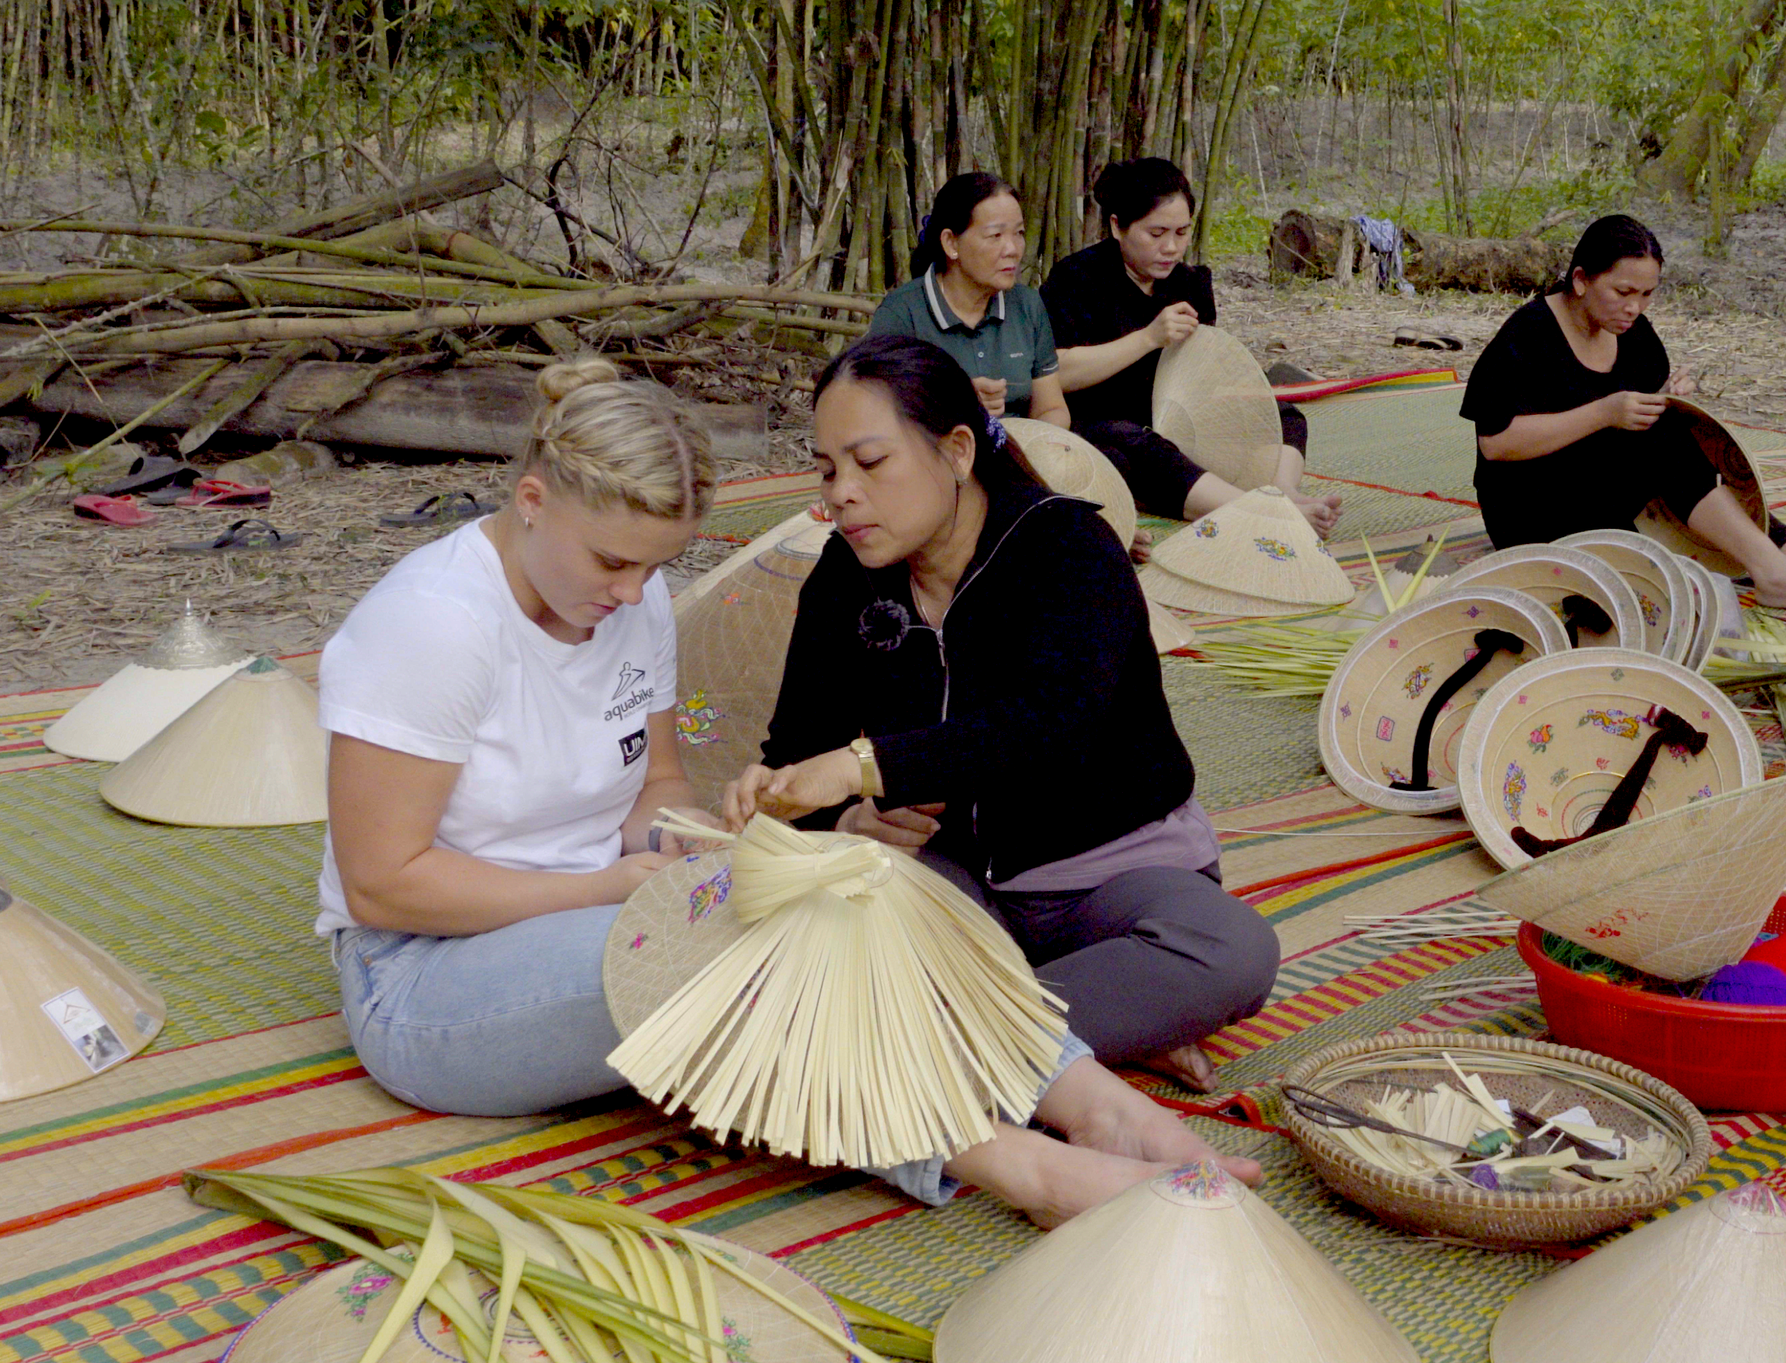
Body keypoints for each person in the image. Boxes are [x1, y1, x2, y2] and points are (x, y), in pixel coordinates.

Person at [317, 358, 1249, 1228]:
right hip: (427, 975)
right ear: (531, 502)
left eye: (653, 567)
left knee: (826, 899)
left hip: (610, 906)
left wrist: (695, 844)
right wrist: (623, 887)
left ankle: (1091, 1101)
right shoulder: (434, 626)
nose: (635, 591)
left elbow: (659, 785)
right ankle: (1020, 1166)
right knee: (745, 951)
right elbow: (385, 886)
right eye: (612, 562)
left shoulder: (633, 601)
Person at [727, 333, 1280, 1104]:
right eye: (827, 469)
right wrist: (838, 819)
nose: (842, 492)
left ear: (956, 450)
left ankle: (981, 1037)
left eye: (871, 462)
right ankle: (1088, 1035)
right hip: (953, 885)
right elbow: (797, 749)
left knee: (1233, 948)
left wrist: (863, 766)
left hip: (1111, 879)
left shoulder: (1067, 547)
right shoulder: (841, 579)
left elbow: (1052, 724)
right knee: (814, 922)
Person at [1459, 213, 1786, 607]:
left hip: (1609, 489)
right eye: (1622, 292)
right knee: (1659, 443)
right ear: (1580, 280)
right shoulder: (1528, 336)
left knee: (1704, 485)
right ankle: (1771, 571)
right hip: (1533, 509)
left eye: (1646, 294)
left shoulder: (1634, 335)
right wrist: (1604, 413)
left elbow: (1635, 414)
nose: (1634, 307)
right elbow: (1497, 443)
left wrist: (1668, 397)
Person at [1040, 158, 1341, 536]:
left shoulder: (1189, 283)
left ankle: (1282, 492)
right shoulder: (1076, 279)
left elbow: (1204, 370)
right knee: (1138, 448)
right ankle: (1258, 512)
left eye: (1181, 233)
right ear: (1118, 226)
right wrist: (1147, 338)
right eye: (1156, 233)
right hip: (1104, 423)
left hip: (1181, 414)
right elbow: (1054, 373)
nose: (1171, 247)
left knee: (1280, 414)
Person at [868, 173, 1072, 429]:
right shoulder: (902, 315)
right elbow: (876, 416)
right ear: (951, 243)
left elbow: (1051, 408)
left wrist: (1037, 451)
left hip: (1017, 455)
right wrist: (955, 404)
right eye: (995, 236)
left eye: (1019, 232)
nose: (1013, 249)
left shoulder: (1027, 306)